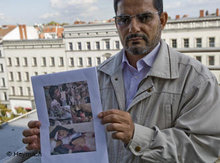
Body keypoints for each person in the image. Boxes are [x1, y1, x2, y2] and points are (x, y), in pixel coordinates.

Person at [22, 0, 220, 162]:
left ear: (163, 19)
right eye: (124, 19)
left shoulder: (196, 79)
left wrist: (137, 136)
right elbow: (91, 148)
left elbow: (205, 148)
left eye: (144, 17)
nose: (133, 28)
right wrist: (49, 144)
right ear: (116, 23)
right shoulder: (97, 77)